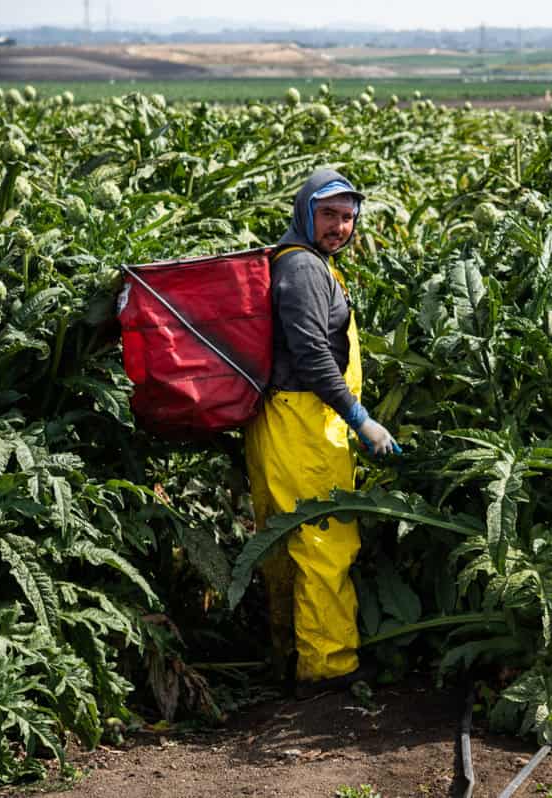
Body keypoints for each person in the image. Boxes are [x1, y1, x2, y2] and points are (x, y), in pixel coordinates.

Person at [244, 168, 398, 696]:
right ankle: (329, 667)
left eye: (348, 217)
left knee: (286, 542)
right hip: (305, 423)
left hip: (291, 420)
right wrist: (361, 419)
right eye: (329, 214)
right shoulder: (304, 270)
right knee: (325, 542)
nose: (339, 227)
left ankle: (290, 657)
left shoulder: (303, 262)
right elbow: (311, 355)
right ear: (305, 213)